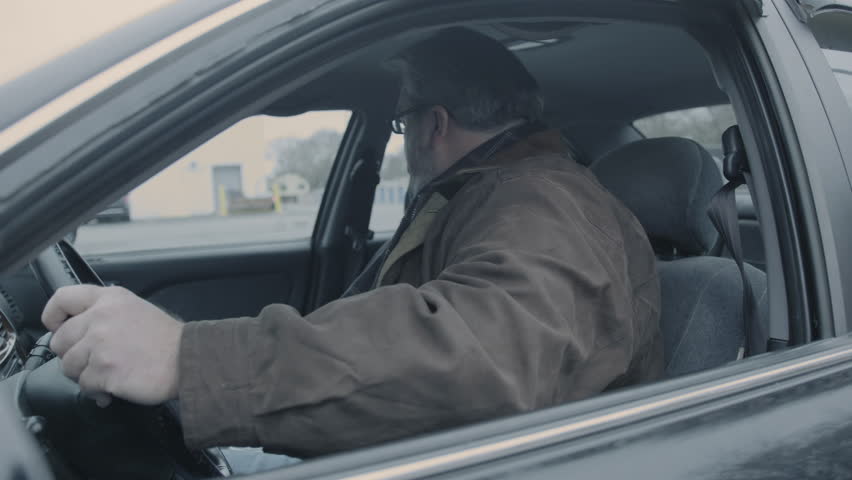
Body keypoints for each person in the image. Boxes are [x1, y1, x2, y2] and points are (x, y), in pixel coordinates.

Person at [41, 28, 664, 460]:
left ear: (435, 123)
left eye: (401, 121)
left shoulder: (544, 201)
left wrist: (189, 359)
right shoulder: (481, 196)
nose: (404, 136)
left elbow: (483, 355)